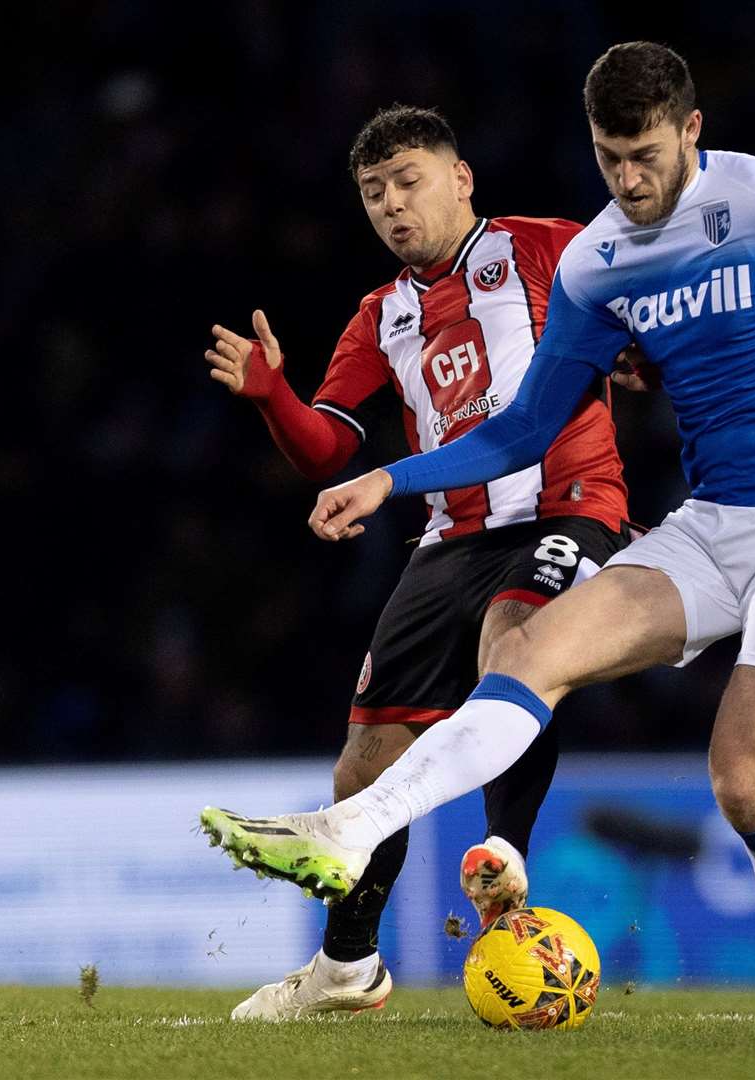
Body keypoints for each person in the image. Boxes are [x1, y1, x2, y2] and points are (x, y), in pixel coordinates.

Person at [201, 44, 755, 1026]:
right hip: (713, 524)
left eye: (645, 154)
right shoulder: (596, 260)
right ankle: (352, 826)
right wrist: (389, 480)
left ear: (690, 131)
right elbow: (525, 426)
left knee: (744, 777)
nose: (629, 179)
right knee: (528, 653)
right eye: (610, 157)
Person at [201, 104, 640, 1021]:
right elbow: (328, 451)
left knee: (516, 640)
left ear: (462, 178)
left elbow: (649, 315)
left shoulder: (546, 250)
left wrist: (644, 350)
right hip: (447, 539)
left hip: (569, 509)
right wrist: (273, 393)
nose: (393, 206)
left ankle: (504, 857)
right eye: (373, 193)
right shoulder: (380, 318)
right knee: (363, 771)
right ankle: (349, 969)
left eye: (409, 181)